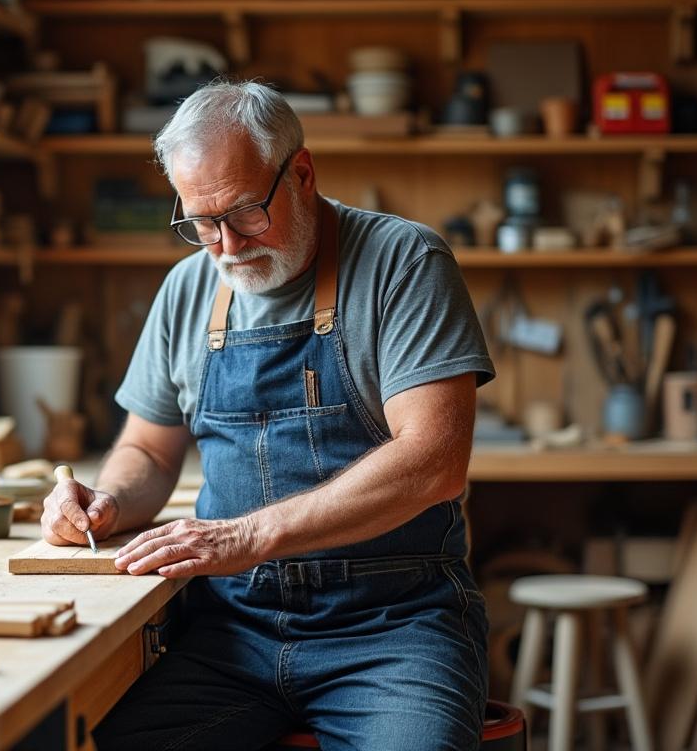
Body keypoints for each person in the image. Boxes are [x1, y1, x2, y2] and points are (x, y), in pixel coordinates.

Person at [41, 80, 495, 751]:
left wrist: (245, 539)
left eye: (246, 213)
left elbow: (433, 463)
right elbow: (151, 451)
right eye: (200, 222)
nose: (225, 245)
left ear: (302, 173)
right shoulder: (188, 289)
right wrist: (107, 501)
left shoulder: (404, 262)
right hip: (232, 632)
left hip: (394, 626)